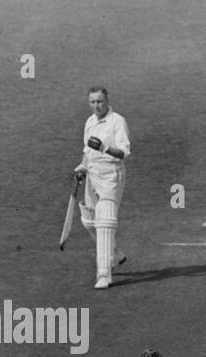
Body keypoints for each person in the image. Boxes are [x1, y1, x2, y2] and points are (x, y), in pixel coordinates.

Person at [72, 86, 131, 289]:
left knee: (105, 222)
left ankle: (104, 274)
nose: (96, 106)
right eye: (93, 102)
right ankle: (114, 254)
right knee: (89, 220)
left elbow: (123, 153)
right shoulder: (90, 122)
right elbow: (87, 152)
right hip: (92, 174)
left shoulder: (117, 121)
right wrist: (82, 166)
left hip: (111, 175)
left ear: (107, 101)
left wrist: (105, 148)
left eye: (99, 101)